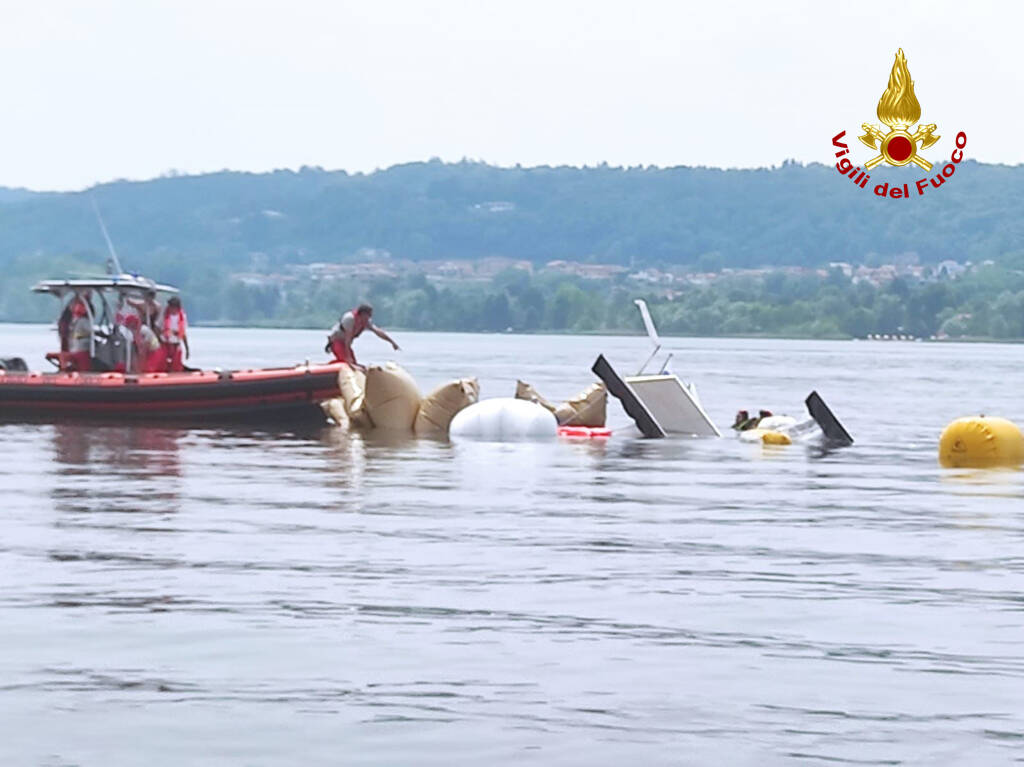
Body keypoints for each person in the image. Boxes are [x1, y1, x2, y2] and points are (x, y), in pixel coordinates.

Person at [326, 303, 399, 372]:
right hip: (336, 341)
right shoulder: (349, 319)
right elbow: (347, 340)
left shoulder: (366, 321)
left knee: (353, 363)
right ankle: (329, 368)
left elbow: (377, 331)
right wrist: (348, 359)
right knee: (348, 363)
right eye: (369, 315)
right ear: (362, 314)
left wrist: (392, 342)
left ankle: (337, 366)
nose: (370, 317)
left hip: (345, 344)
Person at [160, 296, 190, 373]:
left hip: (176, 344)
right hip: (165, 343)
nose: (170, 308)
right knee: (163, 363)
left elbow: (183, 333)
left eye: (172, 307)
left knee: (176, 364)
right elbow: (157, 328)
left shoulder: (182, 317)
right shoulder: (163, 315)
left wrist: (187, 349)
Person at [66, 295, 93, 372]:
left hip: (74, 348)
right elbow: (91, 332)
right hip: (82, 350)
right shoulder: (83, 321)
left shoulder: (74, 321)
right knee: (85, 366)